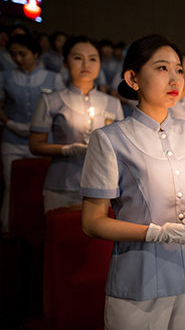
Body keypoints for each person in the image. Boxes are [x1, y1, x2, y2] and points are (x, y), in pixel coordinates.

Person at [80, 34, 185, 330]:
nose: (175, 79)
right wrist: (155, 233)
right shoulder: (110, 139)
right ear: (133, 78)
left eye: (179, 70)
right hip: (141, 275)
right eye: (162, 68)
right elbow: (92, 222)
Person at [29, 36, 123, 213]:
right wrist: (66, 149)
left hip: (103, 185)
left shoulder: (112, 103)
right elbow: (35, 145)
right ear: (65, 62)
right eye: (78, 58)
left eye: (93, 59)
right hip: (62, 183)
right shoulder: (51, 100)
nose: (86, 64)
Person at [0, 35, 64, 232]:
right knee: (12, 186)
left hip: (44, 141)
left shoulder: (53, 77)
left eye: (23, 54)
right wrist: (10, 123)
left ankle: (40, 228)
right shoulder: (5, 76)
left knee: (41, 187)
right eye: (13, 55)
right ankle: (10, 228)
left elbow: (61, 108)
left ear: (35, 53)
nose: (18, 59)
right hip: (13, 139)